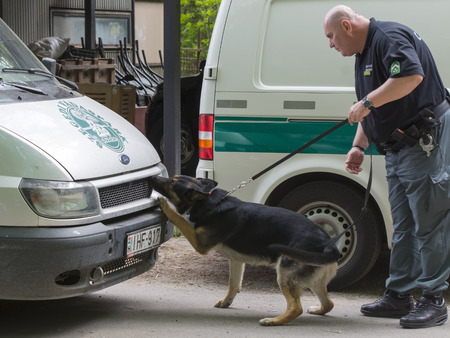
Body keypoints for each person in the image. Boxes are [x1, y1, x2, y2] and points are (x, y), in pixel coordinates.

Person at [323, 5, 450, 329]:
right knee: (404, 223)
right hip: (396, 148)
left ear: (347, 26)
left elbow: (410, 76)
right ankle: (398, 295)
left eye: (331, 36)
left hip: (422, 144)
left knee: (428, 222)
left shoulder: (389, 37)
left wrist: (366, 103)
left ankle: (434, 299)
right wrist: (358, 145)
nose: (331, 45)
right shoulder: (363, 55)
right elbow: (373, 107)